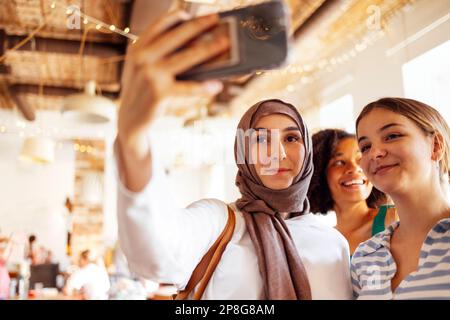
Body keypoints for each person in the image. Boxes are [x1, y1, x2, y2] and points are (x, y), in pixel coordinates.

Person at [115, 11, 352, 299]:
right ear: (242, 152)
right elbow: (154, 253)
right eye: (261, 139)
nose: (277, 153)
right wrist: (133, 137)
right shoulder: (220, 221)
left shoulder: (333, 243)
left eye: (291, 138)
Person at [351, 97, 450, 299]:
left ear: (436, 146)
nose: (375, 153)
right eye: (365, 147)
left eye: (392, 136)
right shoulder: (365, 256)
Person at [308, 129, 397, 255]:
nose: (354, 168)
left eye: (360, 159)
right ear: (319, 175)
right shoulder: (322, 243)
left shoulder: (394, 218)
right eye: (339, 162)